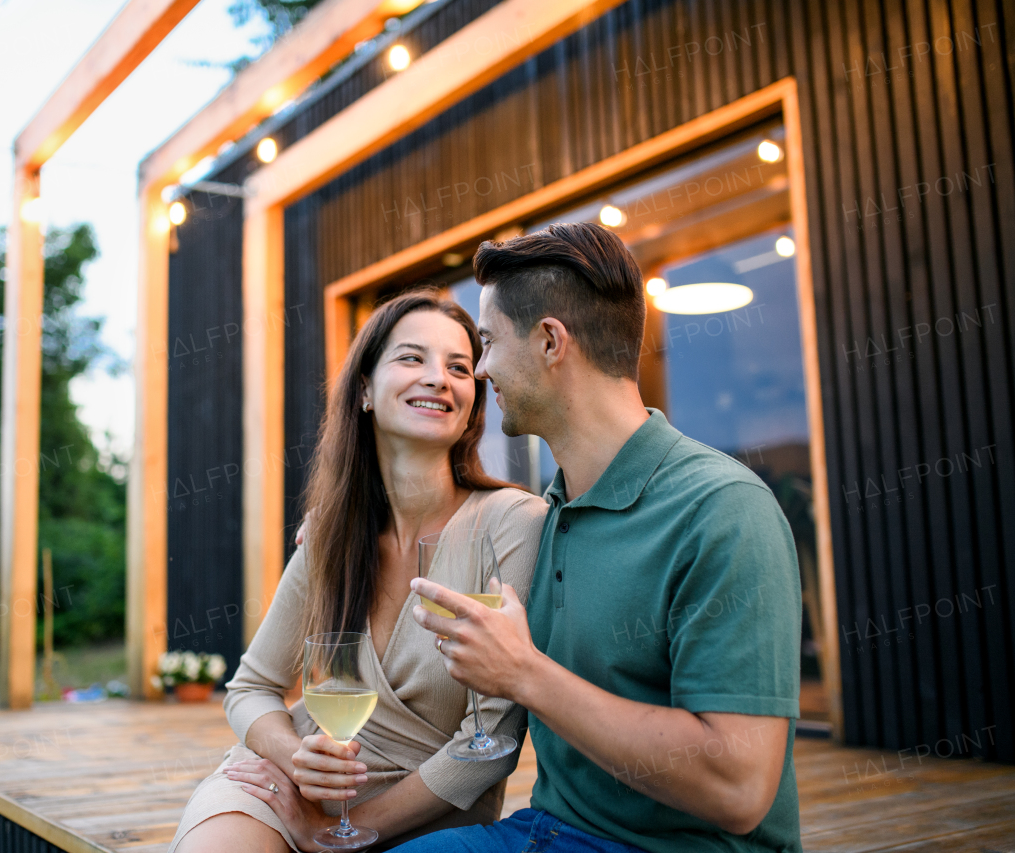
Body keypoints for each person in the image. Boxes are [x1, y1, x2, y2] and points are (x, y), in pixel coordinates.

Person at [397, 222, 803, 853]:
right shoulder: (550, 511)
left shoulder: (722, 511)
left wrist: (526, 674)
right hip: (547, 830)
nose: (479, 370)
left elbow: (740, 790)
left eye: (487, 343)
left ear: (550, 342)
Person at [171, 291, 549, 853]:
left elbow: (489, 738)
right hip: (283, 790)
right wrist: (292, 755)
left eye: (459, 367)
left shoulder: (513, 523)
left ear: (474, 401)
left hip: (418, 819)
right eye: (412, 358)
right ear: (366, 389)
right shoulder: (332, 533)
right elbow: (251, 687)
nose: (438, 379)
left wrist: (338, 830)